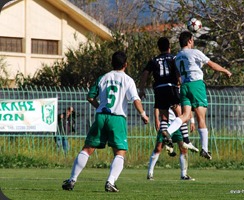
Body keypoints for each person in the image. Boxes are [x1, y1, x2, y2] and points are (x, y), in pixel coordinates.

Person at [62, 51, 149, 192]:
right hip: (117, 118)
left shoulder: (103, 77)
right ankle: (110, 182)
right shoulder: (128, 80)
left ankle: (72, 179)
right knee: (120, 152)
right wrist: (143, 114)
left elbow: (90, 97)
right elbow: (135, 99)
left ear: (111, 63)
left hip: (101, 116)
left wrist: (100, 107)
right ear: (125, 64)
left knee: (87, 149)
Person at [162, 31, 232, 160]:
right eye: (193, 40)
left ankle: (169, 131)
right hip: (196, 85)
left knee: (185, 116)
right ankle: (205, 149)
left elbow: (177, 75)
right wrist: (225, 70)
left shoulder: (177, 57)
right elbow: (211, 65)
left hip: (184, 86)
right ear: (189, 41)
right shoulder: (195, 52)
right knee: (201, 119)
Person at [139, 36, 198, 155]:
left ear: (159, 48)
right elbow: (178, 72)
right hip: (172, 87)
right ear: (169, 47)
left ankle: (166, 138)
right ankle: (186, 140)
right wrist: (181, 82)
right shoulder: (173, 58)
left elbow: (145, 74)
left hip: (159, 89)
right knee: (181, 115)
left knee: (164, 118)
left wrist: (142, 89)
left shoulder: (153, 60)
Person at [147, 108, 195, 180]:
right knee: (158, 148)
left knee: (184, 148)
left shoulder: (182, 97)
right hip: (166, 124)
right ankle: (150, 174)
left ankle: (184, 175)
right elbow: (157, 106)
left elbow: (187, 106)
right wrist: (156, 119)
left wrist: (192, 121)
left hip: (179, 124)